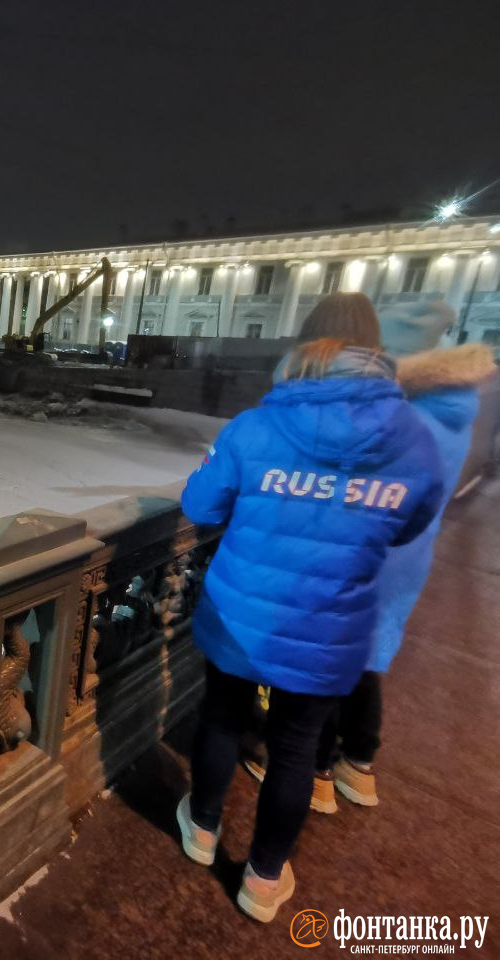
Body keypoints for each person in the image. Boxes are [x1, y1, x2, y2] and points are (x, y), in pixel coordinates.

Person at [174, 292, 444, 923]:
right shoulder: (415, 439)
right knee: (296, 750)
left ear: (303, 341)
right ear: (376, 349)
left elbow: (200, 507)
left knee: (221, 718)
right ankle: (264, 881)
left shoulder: (257, 425)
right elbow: (408, 525)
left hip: (244, 615)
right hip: (330, 622)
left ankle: (203, 829)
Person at [318, 303, 496, 806]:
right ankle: (360, 762)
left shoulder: (388, 411)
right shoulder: (455, 409)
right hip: (411, 550)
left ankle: (317, 772)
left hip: (363, 552)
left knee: (332, 657)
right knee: (369, 655)